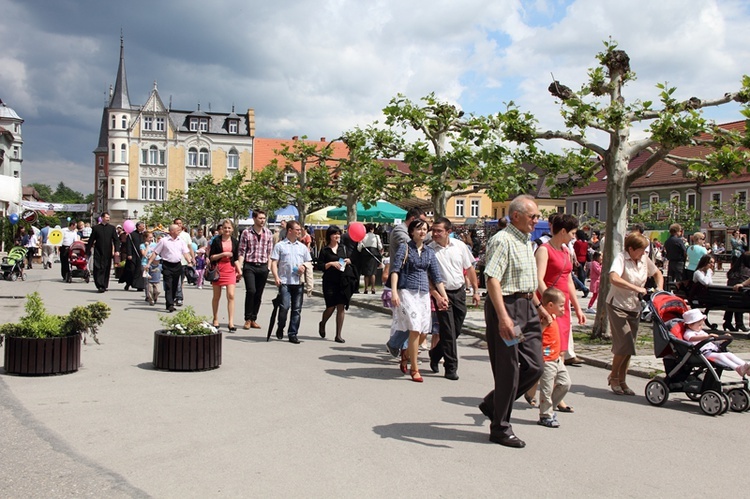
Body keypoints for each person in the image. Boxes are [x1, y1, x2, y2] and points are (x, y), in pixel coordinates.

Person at [478, 195, 549, 448]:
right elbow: (493, 280)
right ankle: (500, 427)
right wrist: (504, 318)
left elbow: (526, 282)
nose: (537, 221)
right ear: (516, 216)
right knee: (510, 368)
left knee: (535, 366)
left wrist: (539, 307)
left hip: (526, 307)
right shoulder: (503, 240)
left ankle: (493, 404)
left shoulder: (525, 241)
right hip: (507, 307)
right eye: (533, 216)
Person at [528, 213, 585, 409]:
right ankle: (533, 387)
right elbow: (538, 279)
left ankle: (555, 394)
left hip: (563, 307)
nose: (574, 237)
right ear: (563, 231)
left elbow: (568, 280)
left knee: (559, 350)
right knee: (546, 351)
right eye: (573, 233)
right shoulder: (544, 250)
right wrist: (548, 303)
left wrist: (577, 307)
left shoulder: (565, 250)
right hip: (549, 306)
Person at [390, 219, 448, 383]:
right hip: (407, 291)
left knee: (423, 332)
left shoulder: (429, 252)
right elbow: (395, 270)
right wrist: (394, 292)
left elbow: (437, 277)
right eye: (419, 229)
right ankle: (414, 369)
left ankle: (406, 354)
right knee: (415, 327)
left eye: (425, 229)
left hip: (423, 295)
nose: (422, 232)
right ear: (412, 232)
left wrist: (443, 296)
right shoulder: (405, 247)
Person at [606, 232, 664, 395]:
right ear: (631, 249)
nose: (643, 253)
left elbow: (657, 273)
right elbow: (613, 278)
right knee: (624, 343)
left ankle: (623, 380)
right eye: (641, 250)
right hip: (618, 304)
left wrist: (658, 288)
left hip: (635, 306)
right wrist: (636, 288)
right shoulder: (621, 258)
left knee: (630, 346)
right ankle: (614, 377)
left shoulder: (644, 259)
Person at [427, 217, 480, 380]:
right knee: (448, 331)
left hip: (459, 292)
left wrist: (476, 290)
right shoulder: (429, 249)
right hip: (442, 294)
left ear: (448, 232)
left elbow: (469, 268)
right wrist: (435, 295)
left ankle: (435, 354)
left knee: (456, 329)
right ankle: (451, 367)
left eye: (439, 231)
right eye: (433, 230)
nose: (435, 234)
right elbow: (427, 276)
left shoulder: (460, 246)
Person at [385, 207, 427, 356]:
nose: (423, 228)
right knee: (405, 318)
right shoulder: (399, 231)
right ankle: (401, 348)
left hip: (415, 283)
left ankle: (402, 348)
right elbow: (412, 243)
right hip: (402, 281)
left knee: (413, 320)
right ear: (413, 220)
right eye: (420, 224)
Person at [270, 220, 312, 344]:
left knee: (297, 309)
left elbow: (309, 262)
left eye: (300, 230)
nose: (299, 232)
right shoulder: (280, 246)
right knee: (284, 307)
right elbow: (273, 262)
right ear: (290, 231)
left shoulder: (302, 247)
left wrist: (304, 267)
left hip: (298, 282)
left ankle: (293, 333)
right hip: (284, 282)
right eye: (297, 230)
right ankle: (280, 326)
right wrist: (276, 277)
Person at [536, 287, 572, 428]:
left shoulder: (554, 316)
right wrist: (544, 324)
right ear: (550, 305)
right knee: (547, 388)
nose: (564, 308)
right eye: (561, 305)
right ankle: (545, 415)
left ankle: (549, 407)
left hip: (556, 358)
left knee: (565, 383)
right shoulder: (544, 318)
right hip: (546, 359)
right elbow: (534, 335)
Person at [318, 225, 358, 343]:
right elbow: (320, 265)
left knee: (341, 306)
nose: (337, 236)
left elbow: (351, 259)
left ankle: (338, 334)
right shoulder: (325, 250)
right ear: (329, 236)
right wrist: (330, 264)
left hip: (342, 280)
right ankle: (323, 323)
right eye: (334, 234)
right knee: (330, 307)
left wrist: (348, 261)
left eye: (338, 234)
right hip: (329, 281)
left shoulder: (343, 248)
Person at [680, 309, 750, 376]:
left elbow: (712, 340)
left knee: (729, 354)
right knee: (721, 356)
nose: (701, 327)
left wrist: (722, 338)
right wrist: (706, 337)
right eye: (699, 325)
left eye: (701, 325)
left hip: (712, 350)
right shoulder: (688, 333)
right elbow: (691, 339)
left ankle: (745, 366)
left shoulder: (700, 331)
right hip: (703, 353)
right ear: (689, 325)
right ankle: (737, 368)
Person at [238, 210, 274, 330]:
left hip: (263, 266)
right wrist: (240, 267)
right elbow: (242, 251)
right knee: (251, 291)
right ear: (254, 218)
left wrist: (268, 267)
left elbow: (270, 252)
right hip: (250, 265)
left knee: (258, 294)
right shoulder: (246, 233)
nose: (262, 220)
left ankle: (254, 318)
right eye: (260, 218)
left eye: (264, 218)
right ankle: (247, 318)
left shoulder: (268, 233)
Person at [146, 224, 193, 312]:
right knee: (168, 285)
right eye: (177, 230)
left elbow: (185, 253)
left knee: (175, 285)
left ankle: (172, 300)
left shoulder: (181, 241)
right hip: (167, 265)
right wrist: (149, 263)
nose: (179, 232)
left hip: (177, 265)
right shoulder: (164, 241)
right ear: (171, 231)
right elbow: (155, 252)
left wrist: (190, 261)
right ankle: (169, 304)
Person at [209, 219, 242, 331]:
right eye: (225, 228)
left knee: (231, 295)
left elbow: (236, 258)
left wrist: (239, 270)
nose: (227, 230)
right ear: (221, 229)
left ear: (232, 229)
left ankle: (231, 322)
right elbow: (211, 257)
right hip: (218, 269)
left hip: (230, 268)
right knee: (217, 296)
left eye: (229, 228)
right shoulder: (216, 241)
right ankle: (215, 318)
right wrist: (223, 254)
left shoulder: (235, 242)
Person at [87, 212, 120, 293]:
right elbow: (91, 240)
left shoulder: (112, 228)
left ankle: (104, 285)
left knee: (106, 268)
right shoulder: (96, 228)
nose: (108, 219)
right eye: (106, 217)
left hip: (108, 251)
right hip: (98, 251)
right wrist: (87, 251)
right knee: (98, 268)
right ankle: (99, 285)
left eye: (109, 217)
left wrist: (117, 250)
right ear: (102, 218)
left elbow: (116, 240)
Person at [724, 251, 750, 332]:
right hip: (742, 301)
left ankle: (728, 322)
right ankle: (739, 323)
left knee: (734, 299)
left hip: (731, 300)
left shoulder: (733, 271)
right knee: (741, 297)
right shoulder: (747, 271)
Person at [173, 218, 194, 306]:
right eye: (177, 223)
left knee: (180, 280)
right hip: (174, 261)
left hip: (184, 261)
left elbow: (190, 247)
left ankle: (177, 295)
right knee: (176, 280)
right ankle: (178, 297)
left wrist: (193, 258)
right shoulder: (171, 235)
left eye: (180, 223)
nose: (179, 225)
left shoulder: (186, 235)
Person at [358, 223, 383, 294]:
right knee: (373, 272)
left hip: (365, 255)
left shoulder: (362, 236)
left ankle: (365, 288)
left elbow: (359, 248)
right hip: (373, 255)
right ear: (372, 229)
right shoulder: (376, 236)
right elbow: (380, 247)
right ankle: (373, 288)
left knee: (366, 273)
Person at [120, 221, 146, 292]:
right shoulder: (131, 235)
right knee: (132, 270)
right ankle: (128, 283)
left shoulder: (144, 235)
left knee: (140, 271)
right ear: (138, 227)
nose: (143, 227)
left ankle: (139, 286)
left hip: (141, 255)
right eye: (142, 226)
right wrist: (129, 254)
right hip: (133, 255)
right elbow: (129, 245)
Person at [139, 231, 158, 304]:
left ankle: (154, 294)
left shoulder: (154, 244)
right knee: (146, 281)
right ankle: (148, 295)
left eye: (151, 237)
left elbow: (156, 253)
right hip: (145, 264)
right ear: (145, 238)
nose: (151, 239)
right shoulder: (142, 245)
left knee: (154, 280)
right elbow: (144, 254)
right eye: (149, 237)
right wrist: (147, 246)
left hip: (153, 263)